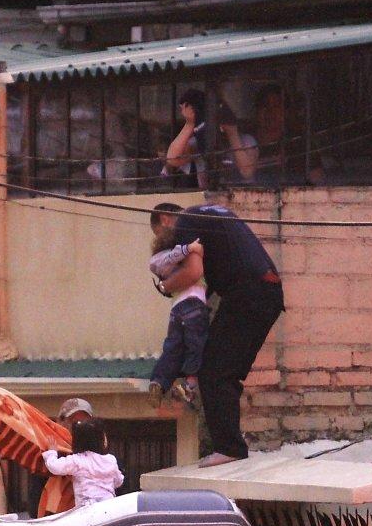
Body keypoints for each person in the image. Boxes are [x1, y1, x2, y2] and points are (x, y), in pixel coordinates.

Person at [150, 202, 284, 468]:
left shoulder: (186, 223)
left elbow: (193, 272)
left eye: (162, 240)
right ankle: (231, 444)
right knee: (224, 368)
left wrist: (166, 286)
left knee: (213, 369)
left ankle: (229, 447)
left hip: (247, 294)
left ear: (165, 219)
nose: (170, 250)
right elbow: (204, 285)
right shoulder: (211, 214)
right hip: (266, 293)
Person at [146, 235, 208, 408]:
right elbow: (181, 258)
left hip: (177, 309)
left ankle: (158, 382)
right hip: (195, 305)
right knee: (196, 346)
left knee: (172, 349)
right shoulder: (182, 255)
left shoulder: (161, 263)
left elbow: (155, 264)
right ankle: (189, 385)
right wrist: (191, 248)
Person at [25, 397, 95, 516]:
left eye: (84, 423)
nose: (79, 427)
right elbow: (35, 502)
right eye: (74, 423)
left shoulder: (98, 454)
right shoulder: (47, 453)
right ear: (60, 423)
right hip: (55, 523)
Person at [42, 418, 124, 507]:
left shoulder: (77, 460)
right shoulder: (110, 460)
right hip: (108, 507)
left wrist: (52, 452)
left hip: (86, 508)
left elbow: (54, 467)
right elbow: (118, 481)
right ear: (101, 441)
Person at [162, 89, 209, 189]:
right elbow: (173, 159)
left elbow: (172, 159)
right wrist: (190, 122)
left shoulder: (206, 131)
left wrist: (190, 122)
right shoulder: (196, 140)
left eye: (182, 108)